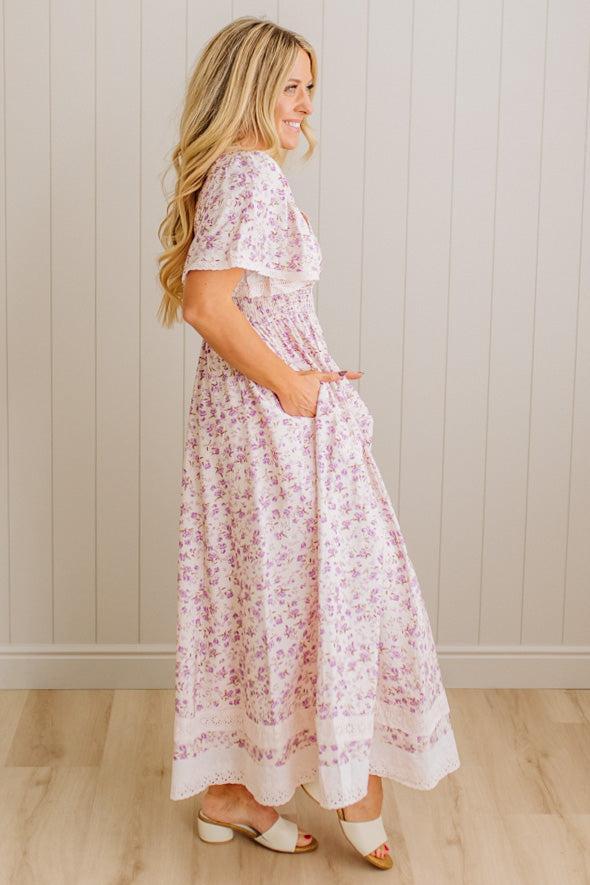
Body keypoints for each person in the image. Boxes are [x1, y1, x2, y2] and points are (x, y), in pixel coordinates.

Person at [157, 16, 460, 871]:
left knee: (272, 593)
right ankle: (349, 785)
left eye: (309, 87)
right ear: (249, 88)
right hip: (268, 426)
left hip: (251, 428)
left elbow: (227, 302)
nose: (304, 104)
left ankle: (234, 795)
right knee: (327, 589)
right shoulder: (248, 174)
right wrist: (293, 384)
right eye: (290, 85)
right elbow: (209, 306)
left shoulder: (237, 174)